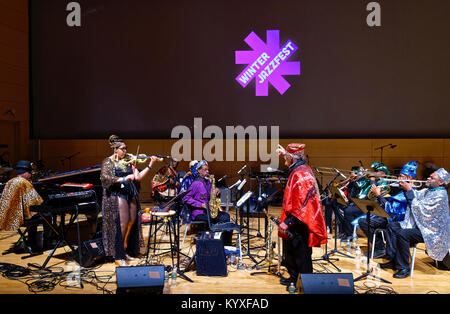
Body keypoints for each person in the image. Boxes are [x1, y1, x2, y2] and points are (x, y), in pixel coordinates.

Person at [100, 135, 160, 266]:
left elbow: (137, 177)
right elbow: (105, 178)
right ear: (115, 149)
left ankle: (125, 249)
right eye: (123, 149)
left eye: (126, 148)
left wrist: (150, 164)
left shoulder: (129, 160)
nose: (125, 151)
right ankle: (118, 254)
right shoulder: (109, 162)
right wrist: (123, 179)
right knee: (122, 223)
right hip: (118, 193)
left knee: (131, 222)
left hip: (130, 192)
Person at [380, 168, 450, 278]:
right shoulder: (429, 191)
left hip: (431, 231)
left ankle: (403, 268)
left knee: (403, 234)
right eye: (429, 176)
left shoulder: (440, 195)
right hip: (422, 225)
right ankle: (393, 260)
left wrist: (409, 191)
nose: (428, 178)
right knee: (391, 226)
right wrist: (406, 187)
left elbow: (420, 209)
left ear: (441, 182)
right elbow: (415, 196)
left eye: (432, 178)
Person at [276, 143, 327, 289]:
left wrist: (288, 221)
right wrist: (284, 152)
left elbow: (303, 204)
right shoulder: (299, 168)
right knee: (291, 250)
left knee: (301, 253)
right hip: (296, 217)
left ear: (293, 158)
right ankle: (293, 278)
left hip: (301, 219)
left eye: (287, 156)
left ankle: (305, 283)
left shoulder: (302, 174)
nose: (285, 158)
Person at [358, 161, 417, 258]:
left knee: (366, 222)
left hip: (398, 221)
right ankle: (380, 248)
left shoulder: (411, 192)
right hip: (389, 218)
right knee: (363, 221)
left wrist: (378, 195)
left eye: (401, 176)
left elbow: (392, 209)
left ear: (409, 178)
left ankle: (381, 249)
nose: (398, 178)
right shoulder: (400, 189)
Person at [0, 160, 49, 251]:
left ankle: (31, 241)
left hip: (10, 217)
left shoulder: (10, 181)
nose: (30, 175)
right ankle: (47, 242)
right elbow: (35, 202)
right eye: (30, 173)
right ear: (26, 173)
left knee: (32, 213)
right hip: (21, 219)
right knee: (47, 215)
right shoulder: (25, 183)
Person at [341, 162, 390, 242]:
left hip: (374, 208)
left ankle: (350, 235)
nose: (373, 172)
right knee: (346, 207)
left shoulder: (383, 182)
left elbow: (374, 193)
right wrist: (354, 180)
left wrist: (372, 181)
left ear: (383, 173)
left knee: (348, 211)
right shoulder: (371, 180)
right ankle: (347, 233)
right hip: (365, 204)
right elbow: (360, 185)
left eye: (376, 171)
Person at [183, 160, 230, 224]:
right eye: (205, 170)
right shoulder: (196, 183)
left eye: (208, 170)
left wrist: (216, 190)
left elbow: (211, 194)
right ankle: (215, 232)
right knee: (222, 218)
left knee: (226, 216)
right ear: (199, 171)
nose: (207, 171)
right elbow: (186, 198)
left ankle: (218, 232)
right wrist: (201, 205)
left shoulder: (208, 182)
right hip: (198, 213)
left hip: (208, 211)